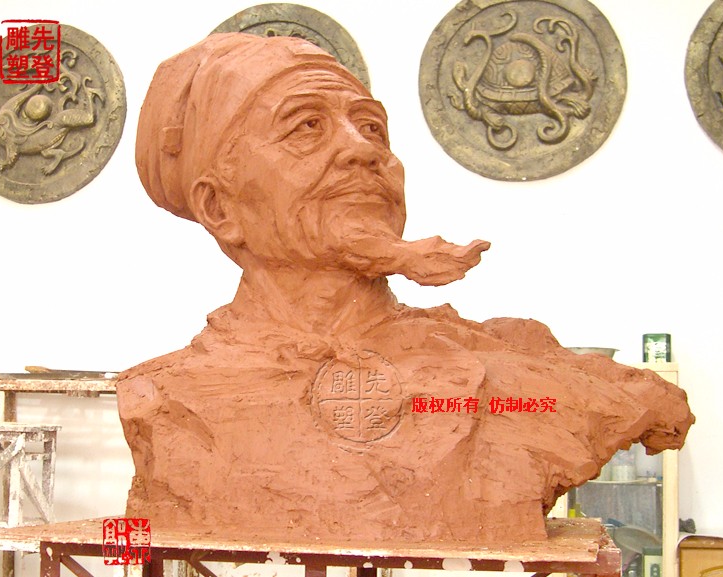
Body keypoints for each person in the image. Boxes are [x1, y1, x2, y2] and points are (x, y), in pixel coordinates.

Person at [118, 33, 693, 545]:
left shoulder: (524, 373)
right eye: (306, 127)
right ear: (219, 207)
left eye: (371, 127)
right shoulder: (166, 397)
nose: (364, 149)